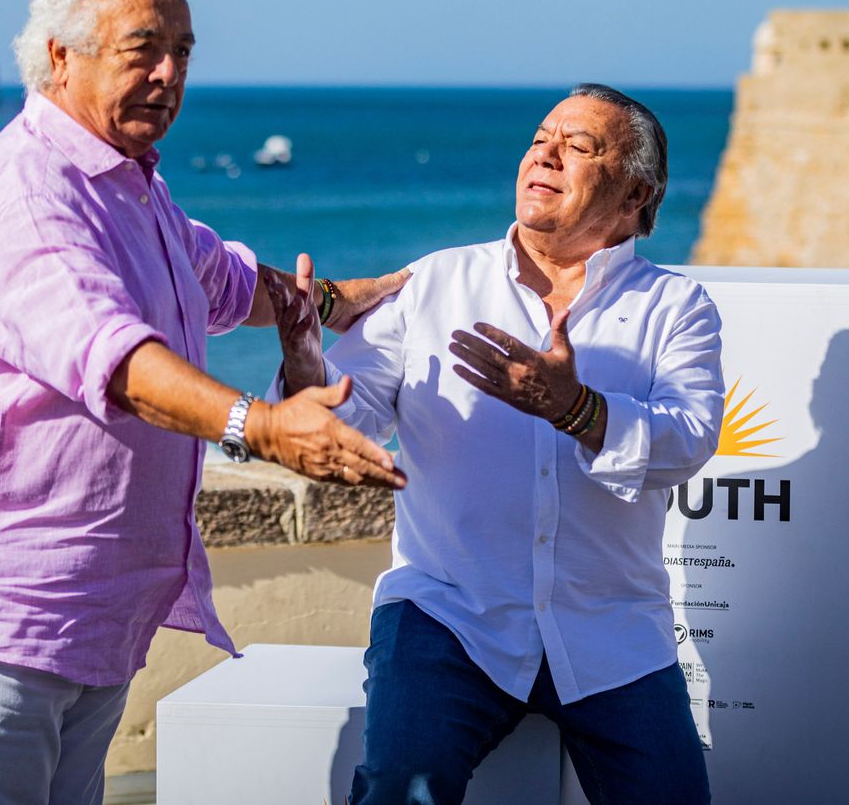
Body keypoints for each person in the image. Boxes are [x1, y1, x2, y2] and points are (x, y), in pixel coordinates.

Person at [0, 0, 405, 805]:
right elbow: (113, 360)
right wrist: (261, 427)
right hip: (9, 606)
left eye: (184, 53)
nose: (168, 74)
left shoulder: (127, 186)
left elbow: (223, 279)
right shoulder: (29, 193)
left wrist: (341, 302)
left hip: (95, 606)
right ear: (59, 57)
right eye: (143, 49)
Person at [269, 84, 723, 805]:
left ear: (635, 193)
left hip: (610, 627)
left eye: (578, 146)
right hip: (449, 614)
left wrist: (576, 409)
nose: (545, 152)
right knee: (398, 789)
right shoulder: (435, 282)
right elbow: (347, 427)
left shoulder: (676, 308)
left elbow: (689, 441)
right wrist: (303, 365)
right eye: (541, 137)